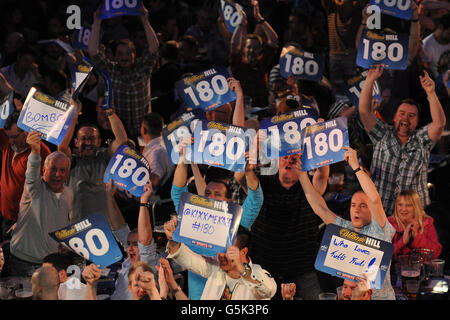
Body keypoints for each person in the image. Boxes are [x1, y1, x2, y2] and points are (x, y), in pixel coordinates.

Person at [296, 146, 396, 300]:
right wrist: (302, 176)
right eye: (353, 205)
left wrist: (355, 166)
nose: (356, 210)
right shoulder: (344, 229)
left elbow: (375, 199)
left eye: (363, 206)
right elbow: (319, 208)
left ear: (372, 211)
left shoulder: (379, 229)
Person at [170, 144, 264, 300]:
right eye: (207, 193)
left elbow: (256, 199)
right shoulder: (192, 216)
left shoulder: (236, 222)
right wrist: (182, 159)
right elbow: (177, 191)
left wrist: (248, 172)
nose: (211, 197)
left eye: (217, 194)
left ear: (228, 200)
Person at [358, 65, 447, 215]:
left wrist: (431, 93)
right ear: (394, 117)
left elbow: (439, 124)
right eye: (402, 113)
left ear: (417, 122)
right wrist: (370, 79)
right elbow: (364, 111)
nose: (405, 118)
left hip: (415, 216)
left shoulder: (422, 140)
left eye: (411, 116)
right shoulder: (382, 134)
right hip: (382, 214)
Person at [245, 152, 329, 300]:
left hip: (304, 270)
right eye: (284, 157)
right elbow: (240, 178)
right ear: (277, 161)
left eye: (294, 159)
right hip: (265, 270)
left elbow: (322, 173)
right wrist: (250, 153)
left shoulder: (309, 188)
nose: (288, 161)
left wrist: (318, 139)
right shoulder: (262, 184)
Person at [88, 3, 159, 143]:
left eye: (128, 53)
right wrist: (97, 22)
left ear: (134, 54)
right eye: (120, 53)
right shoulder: (111, 69)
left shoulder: (143, 67)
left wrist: (145, 20)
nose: (124, 56)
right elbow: (93, 52)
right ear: (115, 56)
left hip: (144, 133)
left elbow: (154, 49)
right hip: (121, 133)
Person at [6, 132, 72, 278]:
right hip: (23, 263)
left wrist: (66, 243)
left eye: (62, 170)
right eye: (53, 169)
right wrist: (35, 151)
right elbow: (31, 172)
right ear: (44, 170)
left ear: (68, 173)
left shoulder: (69, 194)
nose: (58, 174)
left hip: (52, 264)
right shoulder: (34, 188)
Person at [164, 219, 276, 300]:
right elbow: (188, 259)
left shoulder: (259, 273)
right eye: (219, 248)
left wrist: (242, 269)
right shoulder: (215, 268)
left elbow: (269, 291)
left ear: (243, 252)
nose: (220, 254)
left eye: (227, 250)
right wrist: (173, 238)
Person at [57, 99, 128, 223]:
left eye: (92, 138)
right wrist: (74, 114)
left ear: (99, 141)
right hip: (79, 229)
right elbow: (62, 147)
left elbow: (122, 141)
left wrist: (111, 113)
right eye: (83, 139)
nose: (88, 143)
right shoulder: (70, 162)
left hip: (107, 226)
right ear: (76, 142)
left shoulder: (105, 156)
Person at [0, 112, 51, 242]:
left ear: (26, 132)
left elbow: (43, 191)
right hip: (5, 214)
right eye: (8, 137)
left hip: (25, 220)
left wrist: (25, 221)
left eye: (15, 137)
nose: (11, 141)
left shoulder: (42, 152)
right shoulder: (8, 140)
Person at [106, 182, 160, 300]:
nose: (129, 248)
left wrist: (144, 202)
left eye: (135, 244)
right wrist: (109, 196)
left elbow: (145, 242)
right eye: (129, 243)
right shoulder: (128, 262)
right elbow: (118, 227)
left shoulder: (148, 265)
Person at [229, 0, 279, 109]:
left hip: (262, 109)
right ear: (244, 49)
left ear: (260, 50)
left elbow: (274, 40)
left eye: (256, 48)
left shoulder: (262, 62)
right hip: (242, 110)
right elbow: (234, 44)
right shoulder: (238, 64)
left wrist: (260, 19)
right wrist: (241, 23)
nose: (252, 50)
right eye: (249, 47)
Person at [388, 189, 442, 260]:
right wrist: (403, 242)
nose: (403, 209)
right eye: (400, 205)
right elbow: (383, 255)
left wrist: (417, 237)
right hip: (396, 270)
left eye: (408, 205)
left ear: (416, 207)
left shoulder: (426, 223)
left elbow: (436, 253)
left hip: (420, 269)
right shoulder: (389, 224)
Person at [140, 112, 174, 200]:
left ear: (143, 130)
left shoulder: (156, 152)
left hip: (151, 202)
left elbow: (154, 181)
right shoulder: (162, 145)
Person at [422, 13, 450, 78]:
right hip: (439, 82)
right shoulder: (427, 45)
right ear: (441, 27)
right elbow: (425, 71)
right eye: (449, 33)